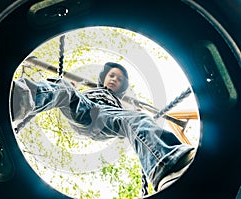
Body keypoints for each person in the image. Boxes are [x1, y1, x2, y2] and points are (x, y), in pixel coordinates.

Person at [11, 62, 195, 192]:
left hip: (107, 117)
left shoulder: (119, 104)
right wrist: (73, 87)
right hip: (85, 109)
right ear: (104, 78)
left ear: (123, 87)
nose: (115, 79)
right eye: (112, 75)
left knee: (138, 119)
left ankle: (167, 165)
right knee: (62, 87)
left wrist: (134, 111)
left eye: (120, 79)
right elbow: (74, 97)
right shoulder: (91, 90)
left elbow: (125, 120)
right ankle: (17, 99)